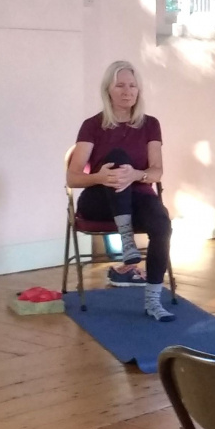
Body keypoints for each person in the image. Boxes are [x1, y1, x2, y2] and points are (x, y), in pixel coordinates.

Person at [68, 60, 175, 322]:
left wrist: (136, 175)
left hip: (138, 196)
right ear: (108, 90)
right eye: (120, 85)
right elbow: (72, 177)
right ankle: (126, 239)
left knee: (162, 223)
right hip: (98, 199)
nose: (127, 91)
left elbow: (157, 171)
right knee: (116, 157)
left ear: (139, 91)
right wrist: (100, 176)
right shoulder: (92, 125)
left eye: (132, 86)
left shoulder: (150, 124)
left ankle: (152, 301)